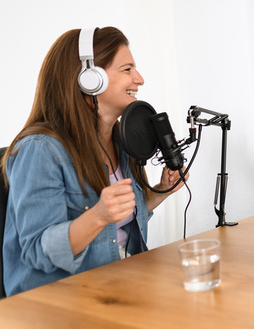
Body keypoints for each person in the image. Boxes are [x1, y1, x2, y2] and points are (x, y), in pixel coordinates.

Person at [1, 27, 186, 296]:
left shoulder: (122, 142)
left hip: (119, 286)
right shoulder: (40, 150)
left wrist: (159, 193)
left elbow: (118, 219)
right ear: (90, 79)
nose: (140, 79)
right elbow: (37, 251)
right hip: (57, 305)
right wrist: (97, 216)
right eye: (127, 69)